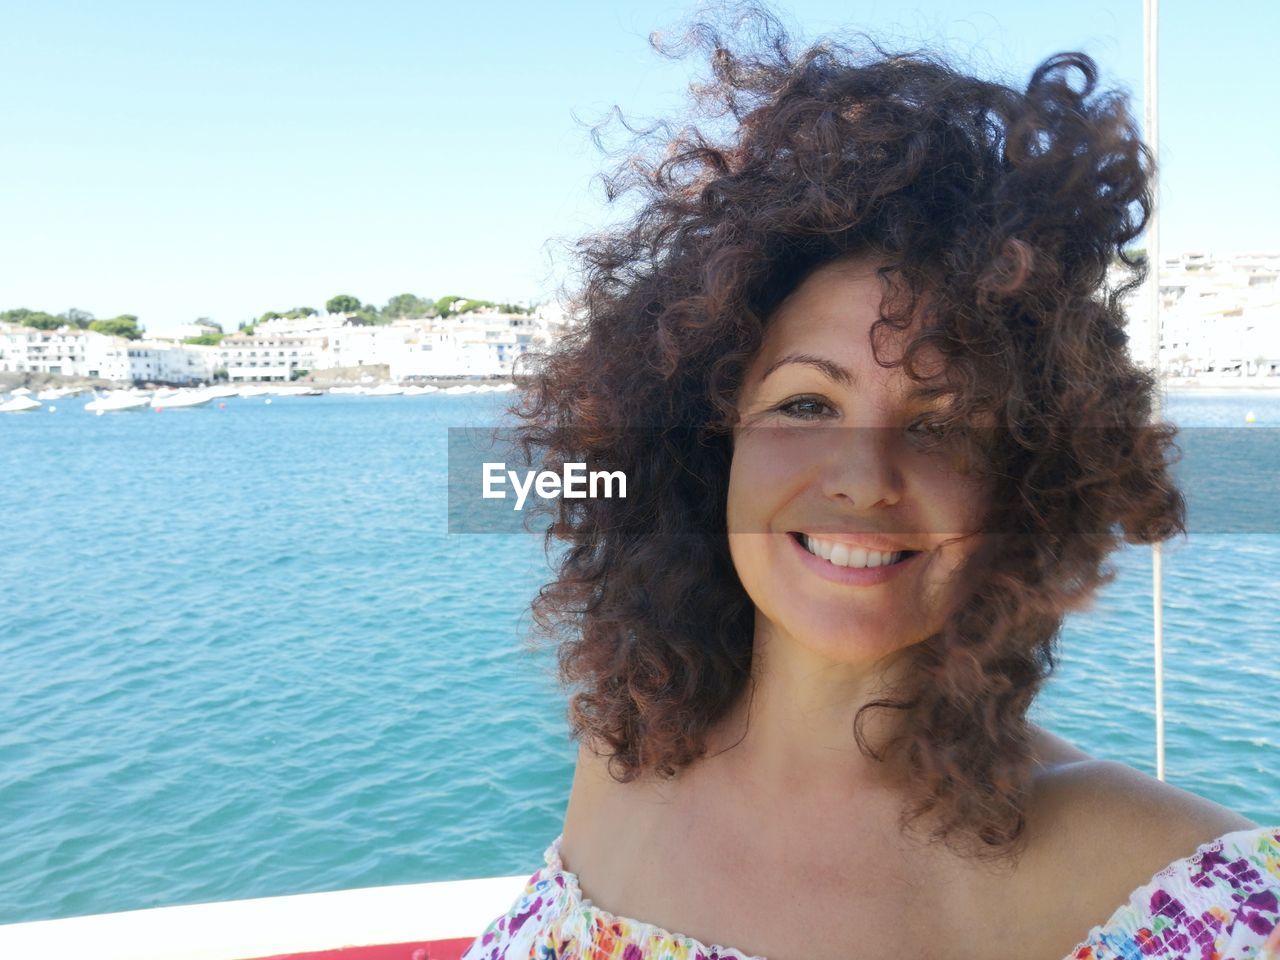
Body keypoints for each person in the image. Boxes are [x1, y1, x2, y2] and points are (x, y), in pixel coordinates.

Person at [461, 11, 1280, 960]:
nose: (863, 478)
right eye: (806, 405)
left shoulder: (1172, 891)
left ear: (1024, 484)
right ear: (709, 441)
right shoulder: (624, 752)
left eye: (940, 427)